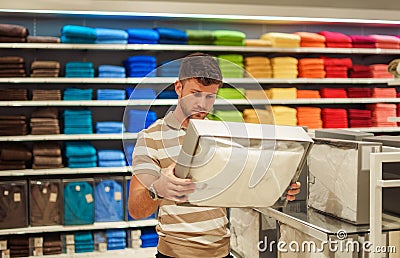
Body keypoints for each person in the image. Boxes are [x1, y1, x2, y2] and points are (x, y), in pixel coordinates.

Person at [128, 53, 301, 258]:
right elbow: (135, 209)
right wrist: (158, 189)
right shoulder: (151, 137)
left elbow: (245, 189)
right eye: (195, 93)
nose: (202, 104)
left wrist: (277, 187)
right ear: (178, 88)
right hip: (173, 254)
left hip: (222, 252)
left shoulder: (224, 134)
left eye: (210, 96)